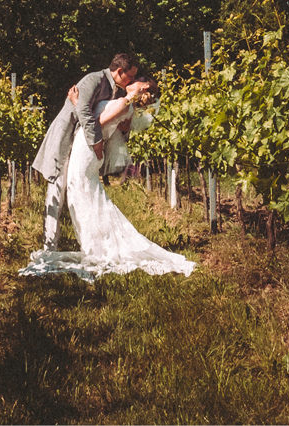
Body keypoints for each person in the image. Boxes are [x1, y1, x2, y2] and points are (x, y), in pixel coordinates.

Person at [21, 73, 196, 281]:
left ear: (142, 88)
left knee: (84, 196)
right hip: (88, 151)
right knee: (85, 197)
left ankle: (97, 248)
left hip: (88, 151)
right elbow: (117, 126)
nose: (134, 83)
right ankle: (95, 246)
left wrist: (77, 102)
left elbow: (97, 123)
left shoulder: (123, 104)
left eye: (141, 84)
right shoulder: (123, 103)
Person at [30, 53, 140, 252]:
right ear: (119, 71)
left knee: (77, 188)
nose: (131, 81)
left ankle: (90, 242)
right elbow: (84, 112)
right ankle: (49, 246)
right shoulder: (94, 79)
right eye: (129, 77)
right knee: (57, 189)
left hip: (81, 144)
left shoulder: (115, 89)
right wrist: (97, 142)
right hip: (65, 139)